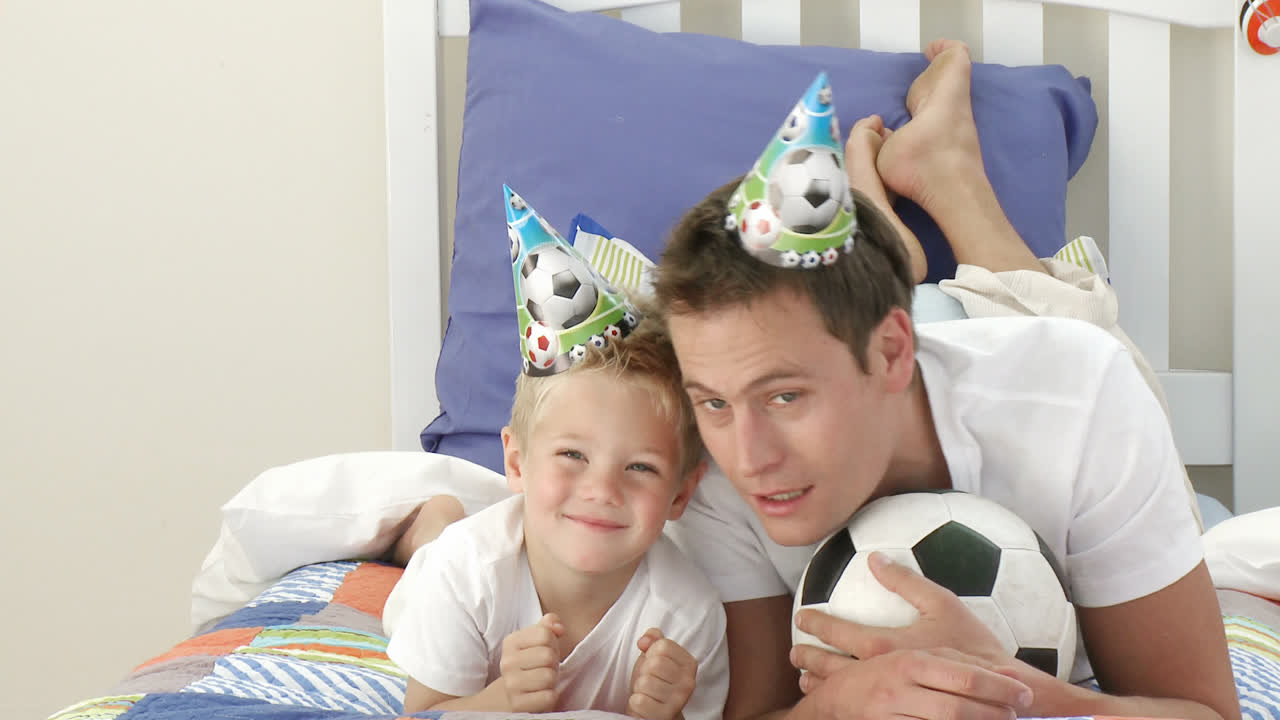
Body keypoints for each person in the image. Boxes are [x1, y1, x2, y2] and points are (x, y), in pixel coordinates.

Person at [653, 39, 1239, 720]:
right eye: (714, 403)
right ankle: (893, 249)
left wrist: (1008, 687)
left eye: (785, 397)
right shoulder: (703, 470)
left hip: (1009, 355)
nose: (749, 457)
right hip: (902, 343)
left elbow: (1204, 713)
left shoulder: (1080, 397)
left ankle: (945, 171)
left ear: (891, 353)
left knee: (1051, 309)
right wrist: (832, 708)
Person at [384, 187, 728, 720]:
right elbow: (424, 712)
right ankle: (431, 523)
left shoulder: (687, 613)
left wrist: (671, 713)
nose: (602, 490)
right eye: (572, 455)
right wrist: (500, 701)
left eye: (640, 467)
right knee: (434, 550)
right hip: (444, 564)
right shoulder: (462, 572)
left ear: (681, 493)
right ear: (516, 462)